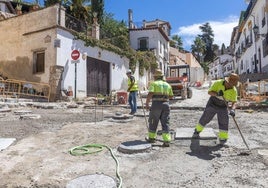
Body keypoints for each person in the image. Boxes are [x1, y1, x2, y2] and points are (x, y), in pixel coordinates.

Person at [193, 73, 240, 145]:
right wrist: (217, 93)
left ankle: (223, 138)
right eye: (230, 84)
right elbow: (209, 92)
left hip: (223, 106)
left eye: (233, 85)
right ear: (227, 81)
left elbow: (235, 101)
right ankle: (197, 130)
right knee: (206, 117)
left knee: (224, 121)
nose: (231, 86)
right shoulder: (218, 83)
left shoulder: (234, 90)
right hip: (213, 103)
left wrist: (233, 109)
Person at [145, 69, 174, 147]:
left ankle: (151, 138)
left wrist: (147, 103)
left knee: (153, 121)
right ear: (161, 77)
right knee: (165, 122)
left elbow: (150, 93)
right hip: (166, 105)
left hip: (156, 105)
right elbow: (171, 96)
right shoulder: (168, 85)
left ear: (155, 77)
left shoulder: (154, 84)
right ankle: (167, 140)